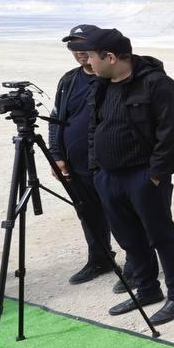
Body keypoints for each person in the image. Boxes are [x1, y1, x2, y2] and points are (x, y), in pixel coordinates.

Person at [82, 28, 174, 325]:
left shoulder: (157, 83)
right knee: (129, 238)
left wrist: (154, 176)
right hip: (109, 177)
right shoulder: (102, 85)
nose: (88, 62)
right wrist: (96, 169)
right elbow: (95, 127)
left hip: (143, 178)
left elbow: (170, 133)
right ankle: (147, 290)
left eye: (91, 56)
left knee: (162, 237)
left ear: (110, 57)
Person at [48, 24, 117, 285]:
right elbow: (57, 118)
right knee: (88, 214)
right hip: (76, 164)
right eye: (73, 47)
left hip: (109, 163)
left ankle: (139, 265)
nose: (79, 52)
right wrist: (56, 154)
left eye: (84, 45)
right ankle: (100, 259)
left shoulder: (111, 77)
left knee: (121, 214)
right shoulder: (68, 80)